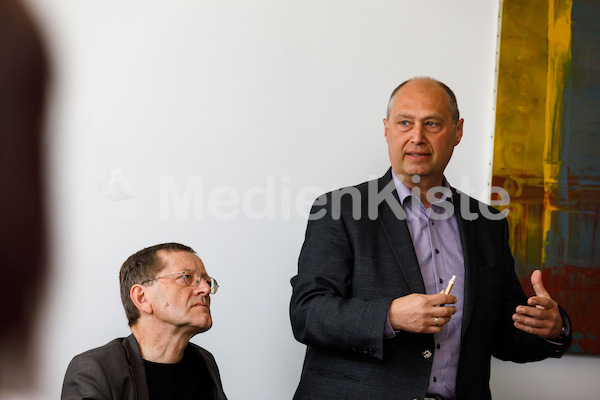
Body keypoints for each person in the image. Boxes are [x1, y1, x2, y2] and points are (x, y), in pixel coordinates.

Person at [289, 77, 571, 400]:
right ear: (387, 129)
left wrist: (552, 328)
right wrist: (392, 315)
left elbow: (501, 335)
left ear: (458, 131)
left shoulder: (488, 224)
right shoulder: (339, 210)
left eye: (432, 124)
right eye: (405, 122)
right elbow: (308, 313)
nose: (417, 137)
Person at [61, 243, 227, 400]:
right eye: (186, 277)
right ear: (142, 298)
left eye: (207, 281)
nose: (205, 289)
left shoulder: (204, 362)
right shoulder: (95, 369)